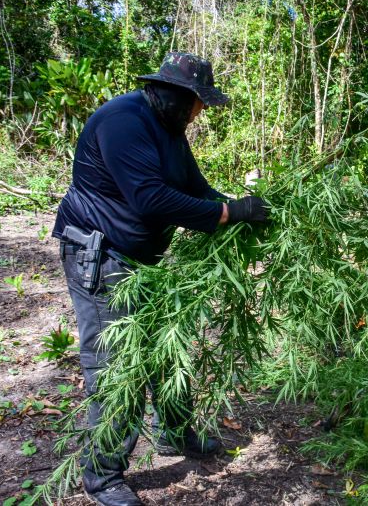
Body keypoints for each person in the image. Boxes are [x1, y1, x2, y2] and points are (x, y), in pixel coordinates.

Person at [52, 52, 268, 506]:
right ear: (177, 97)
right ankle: (103, 476)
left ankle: (173, 432)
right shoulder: (124, 122)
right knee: (117, 365)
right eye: (198, 104)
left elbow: (196, 189)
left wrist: (240, 208)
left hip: (145, 261)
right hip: (102, 256)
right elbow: (150, 198)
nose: (200, 113)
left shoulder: (171, 131)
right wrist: (226, 214)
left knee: (167, 349)